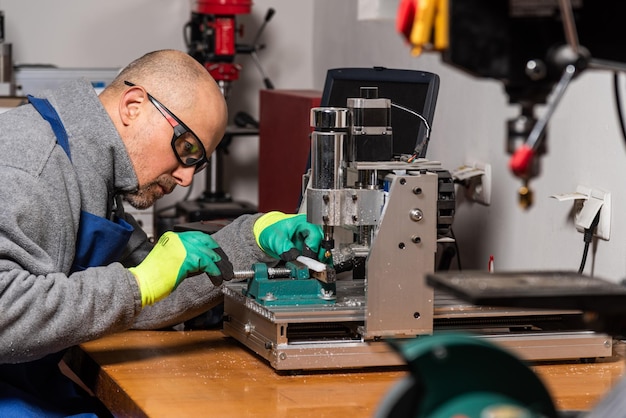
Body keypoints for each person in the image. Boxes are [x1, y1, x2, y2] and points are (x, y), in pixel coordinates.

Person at [0, 49, 325, 417]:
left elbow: (146, 297)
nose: (187, 178)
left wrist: (254, 238)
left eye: (198, 164)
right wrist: (138, 284)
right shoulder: (29, 166)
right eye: (187, 148)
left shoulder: (90, 171)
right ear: (134, 105)